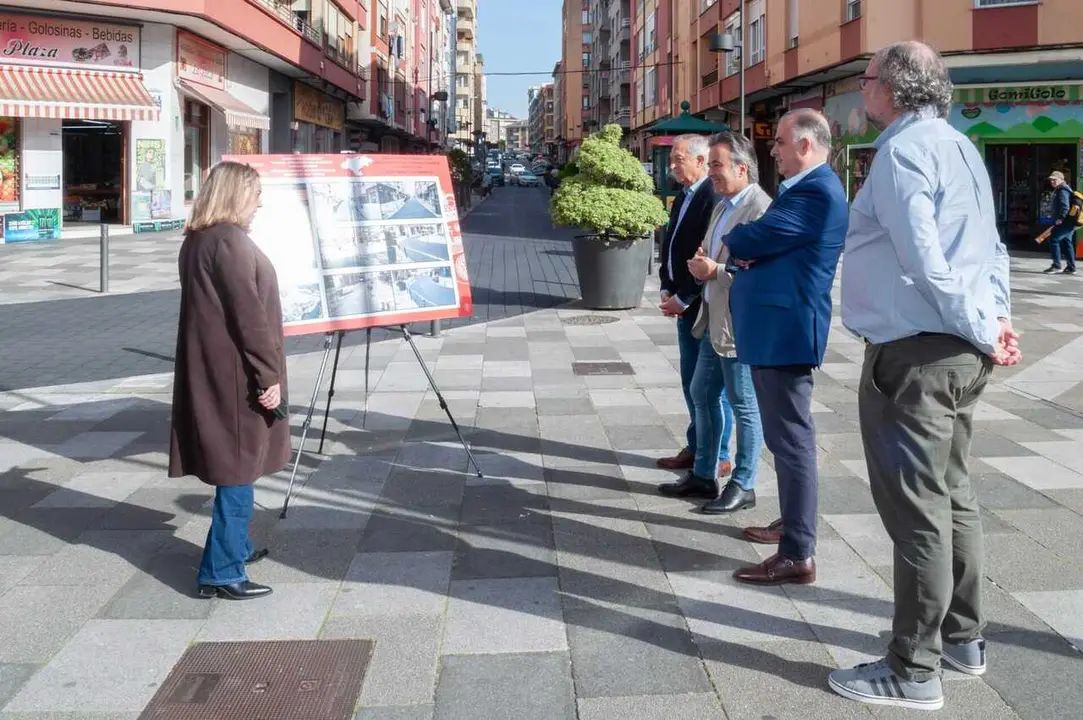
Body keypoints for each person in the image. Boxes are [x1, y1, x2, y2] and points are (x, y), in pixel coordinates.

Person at [830, 41, 1021, 711]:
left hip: (916, 355)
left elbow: (923, 259)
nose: (861, 87)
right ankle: (963, 641)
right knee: (954, 492)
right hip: (958, 348)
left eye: (867, 77)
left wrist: (978, 323)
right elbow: (989, 246)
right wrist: (995, 321)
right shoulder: (961, 147)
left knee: (918, 513)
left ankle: (912, 669)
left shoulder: (902, 151)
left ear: (892, 88)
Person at [723, 109, 849, 585]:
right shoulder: (804, 190)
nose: (770, 149)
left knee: (791, 441)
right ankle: (793, 522)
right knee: (786, 438)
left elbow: (749, 238)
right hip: (777, 330)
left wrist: (743, 244)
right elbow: (760, 245)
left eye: (777, 142)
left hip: (787, 332)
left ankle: (799, 553)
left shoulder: (816, 192)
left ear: (805, 145)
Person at [168, 161, 291, 601]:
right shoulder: (230, 242)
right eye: (255, 192)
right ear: (237, 194)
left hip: (212, 368)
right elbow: (249, 317)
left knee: (236, 462)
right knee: (238, 469)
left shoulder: (198, 240)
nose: (260, 201)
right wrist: (268, 375)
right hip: (236, 374)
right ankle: (221, 570)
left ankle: (235, 547)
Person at [685, 132, 769, 515]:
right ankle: (704, 472)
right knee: (702, 392)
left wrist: (714, 269)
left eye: (717, 165)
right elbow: (715, 250)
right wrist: (704, 260)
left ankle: (744, 482)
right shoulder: (722, 205)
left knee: (744, 404)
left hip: (738, 327)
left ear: (741, 167)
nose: (712, 172)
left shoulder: (760, 209)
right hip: (711, 320)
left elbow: (760, 272)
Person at [656, 134, 734, 497]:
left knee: (708, 388)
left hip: (703, 305)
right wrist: (666, 285)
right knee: (691, 383)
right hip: (683, 301)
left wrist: (684, 297)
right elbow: (672, 243)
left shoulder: (711, 197)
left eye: (678, 159)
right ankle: (697, 445)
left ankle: (717, 454)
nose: (672, 166)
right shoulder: (685, 196)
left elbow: (708, 253)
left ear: (701, 162)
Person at [1045, 170, 1077, 275]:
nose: (1052, 182)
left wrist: (1061, 218)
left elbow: (1065, 207)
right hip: (1069, 222)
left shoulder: (1063, 190)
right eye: (1051, 180)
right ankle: (1071, 267)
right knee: (1067, 242)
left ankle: (1056, 266)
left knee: (1053, 239)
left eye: (1055, 180)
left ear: (1061, 180)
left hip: (1065, 222)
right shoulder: (1064, 189)